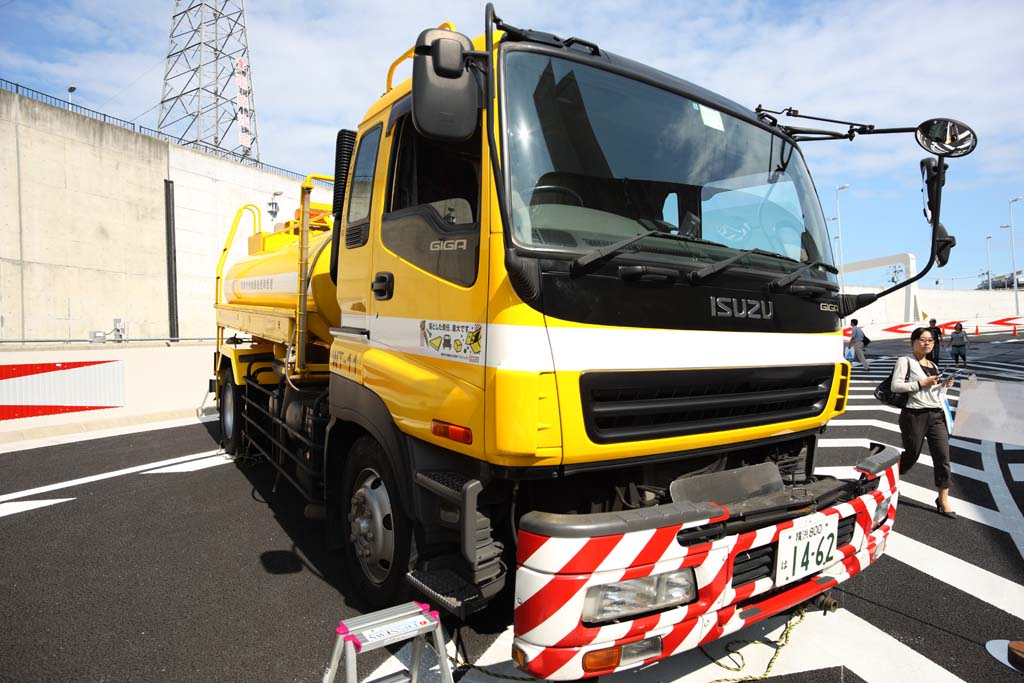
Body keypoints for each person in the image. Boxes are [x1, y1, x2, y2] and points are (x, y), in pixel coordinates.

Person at [892, 327, 956, 518]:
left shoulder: (933, 365)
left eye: (931, 340)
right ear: (913, 342)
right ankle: (892, 478)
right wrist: (921, 383)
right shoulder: (905, 361)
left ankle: (943, 499)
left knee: (943, 457)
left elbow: (934, 394)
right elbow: (896, 386)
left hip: (936, 415)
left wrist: (943, 386)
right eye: (922, 339)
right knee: (912, 454)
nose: (927, 343)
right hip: (914, 415)